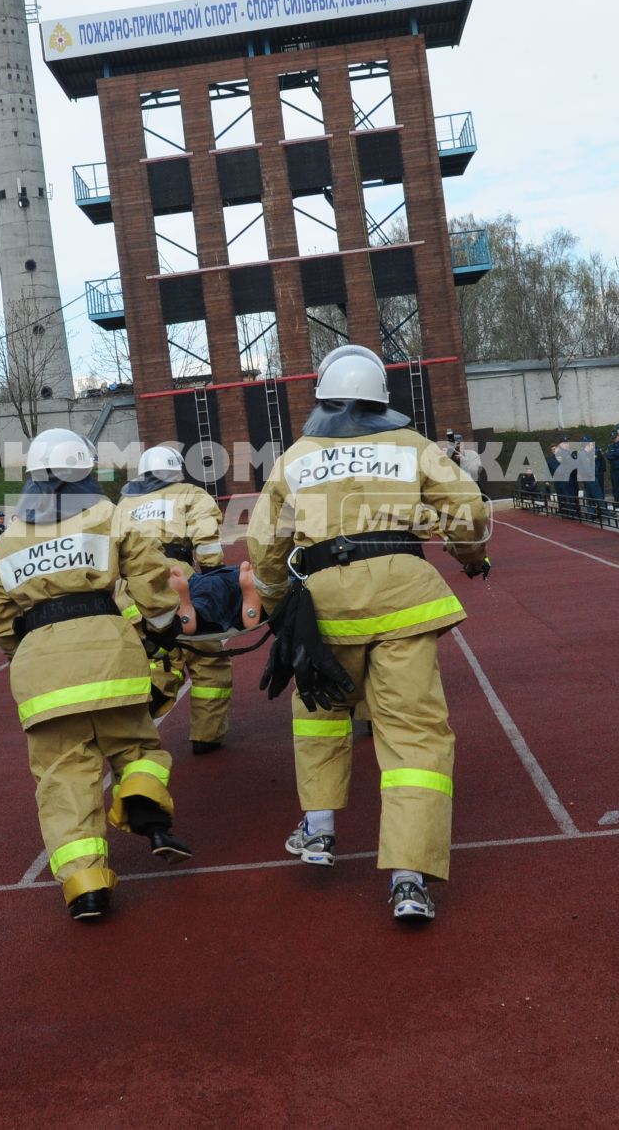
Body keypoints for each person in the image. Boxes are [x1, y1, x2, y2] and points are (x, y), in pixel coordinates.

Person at [246, 344, 490, 924]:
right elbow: (468, 511)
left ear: (324, 397)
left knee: (319, 712)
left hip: (325, 603)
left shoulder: (296, 457)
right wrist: (470, 557)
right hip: (405, 600)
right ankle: (410, 876)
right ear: (383, 397)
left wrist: (280, 602)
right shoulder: (411, 446)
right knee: (415, 737)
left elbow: (265, 544)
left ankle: (320, 829)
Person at [0, 427, 192, 922]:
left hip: (41, 673)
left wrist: (30, 652)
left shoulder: (9, 537)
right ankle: (139, 791)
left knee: (62, 779)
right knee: (138, 745)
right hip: (109, 653)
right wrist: (163, 627)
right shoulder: (109, 515)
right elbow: (148, 573)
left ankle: (86, 884)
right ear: (86, 469)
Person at [115, 444, 233, 755]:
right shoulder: (190, 495)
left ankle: (134, 732)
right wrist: (213, 577)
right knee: (208, 658)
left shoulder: (124, 503)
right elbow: (206, 539)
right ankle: (206, 736)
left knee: (155, 656)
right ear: (178, 470)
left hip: (130, 587)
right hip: (174, 577)